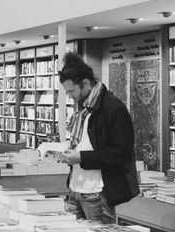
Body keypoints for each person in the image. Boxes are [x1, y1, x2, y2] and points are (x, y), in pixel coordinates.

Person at [55, 52, 138, 222]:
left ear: (85, 83)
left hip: (97, 192)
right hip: (75, 188)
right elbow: (85, 143)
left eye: (72, 90)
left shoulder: (113, 109)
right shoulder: (83, 109)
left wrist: (81, 157)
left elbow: (121, 153)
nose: (70, 95)